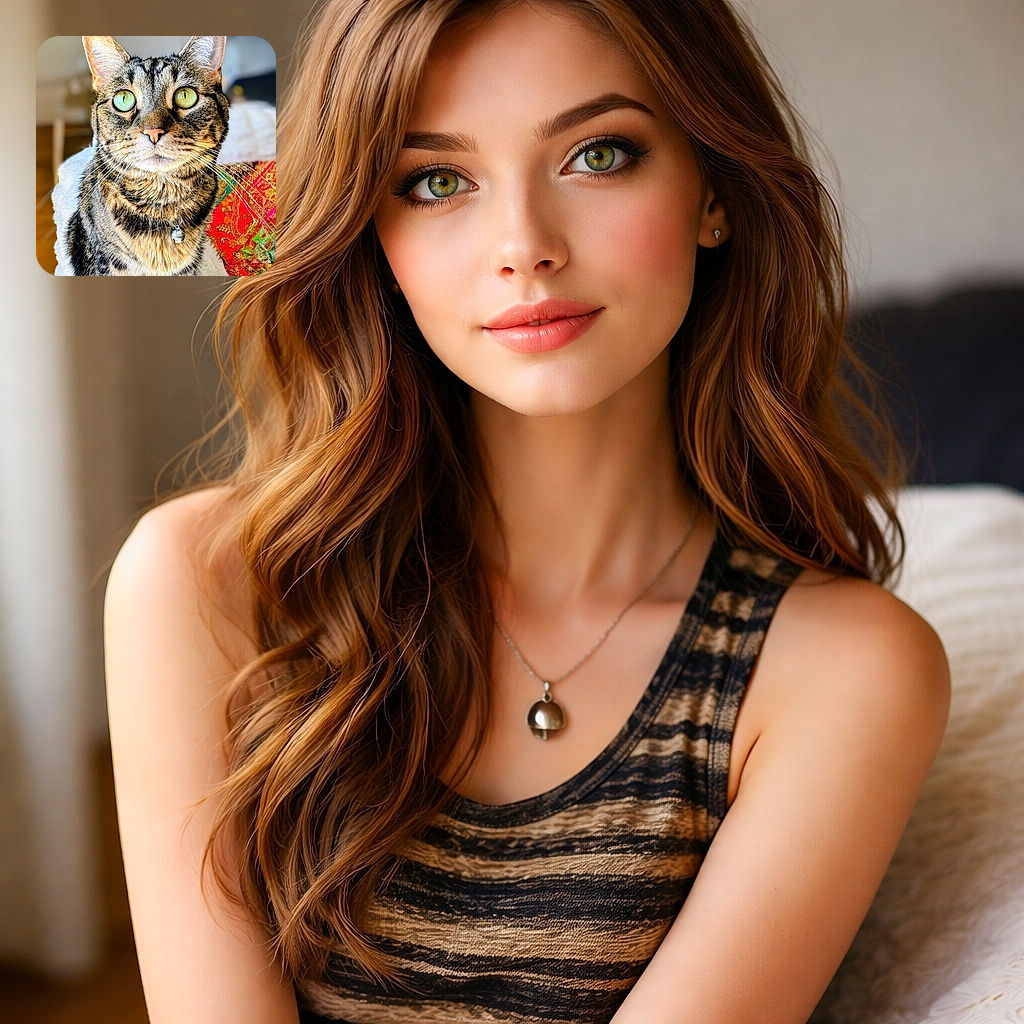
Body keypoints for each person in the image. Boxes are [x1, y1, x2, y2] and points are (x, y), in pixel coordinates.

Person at [103, 1, 950, 1021]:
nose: (523, 246)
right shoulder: (203, 583)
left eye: (598, 154)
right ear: (372, 237)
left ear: (712, 192)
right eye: (434, 181)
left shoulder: (842, 666)